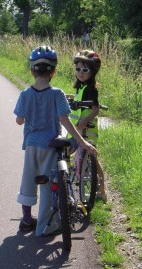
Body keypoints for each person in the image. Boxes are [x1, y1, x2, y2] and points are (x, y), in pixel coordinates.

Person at [14, 46, 98, 236]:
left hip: (30, 144)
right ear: (53, 71)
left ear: (31, 71)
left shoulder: (25, 94)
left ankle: (27, 219)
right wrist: (82, 142)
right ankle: (45, 226)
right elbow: (65, 120)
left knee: (28, 180)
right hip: (49, 145)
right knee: (47, 185)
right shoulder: (57, 94)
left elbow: (19, 121)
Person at [68, 49, 107, 201]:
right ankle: (74, 175)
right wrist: (69, 97)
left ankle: (102, 190)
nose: (81, 73)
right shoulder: (81, 86)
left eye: (85, 70)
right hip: (76, 129)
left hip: (87, 130)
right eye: (78, 69)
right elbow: (79, 100)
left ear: (92, 72)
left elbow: (95, 109)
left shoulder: (91, 89)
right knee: (68, 150)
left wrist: (85, 121)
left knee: (93, 159)